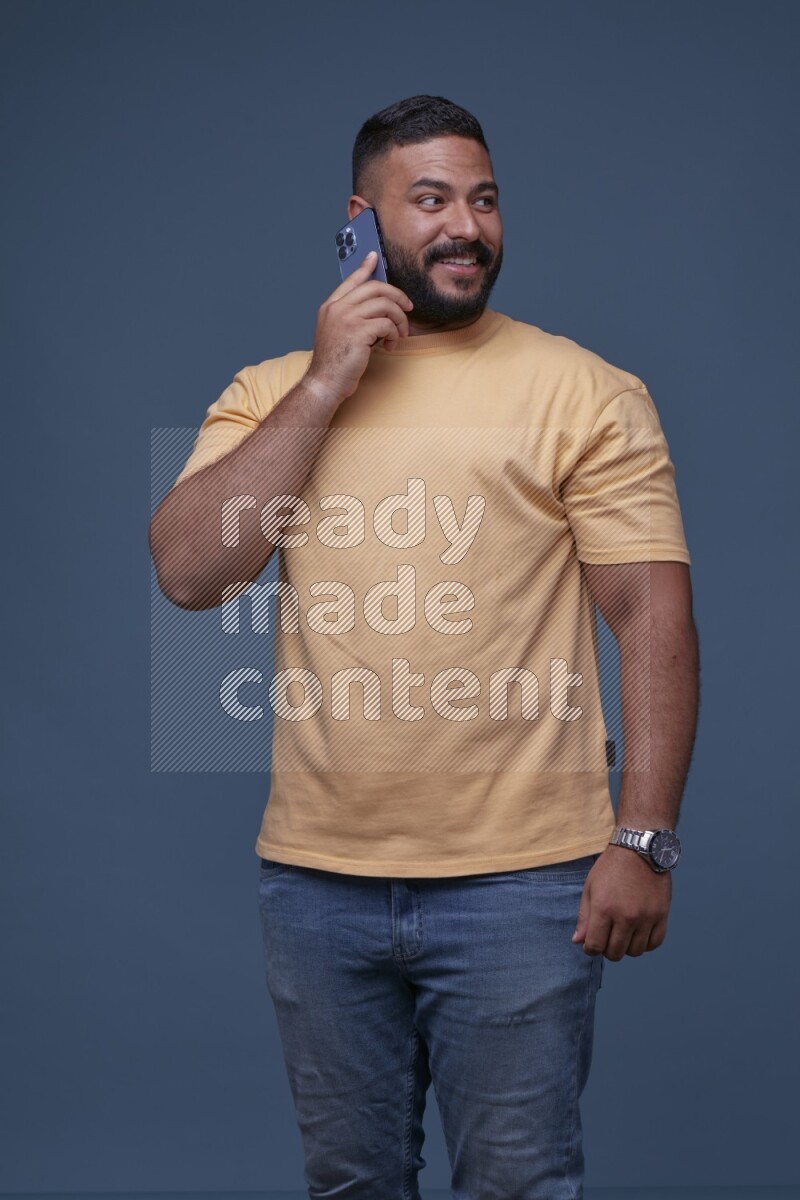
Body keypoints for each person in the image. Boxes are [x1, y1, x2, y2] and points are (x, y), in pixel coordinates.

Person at [149, 95, 700, 1200]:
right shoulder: (268, 394)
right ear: (360, 222)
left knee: (517, 1185)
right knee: (350, 1185)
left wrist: (641, 836)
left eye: (484, 199)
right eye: (433, 200)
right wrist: (323, 382)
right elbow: (191, 574)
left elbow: (650, 618)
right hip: (316, 887)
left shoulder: (583, 392)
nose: (467, 226)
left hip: (523, 886)